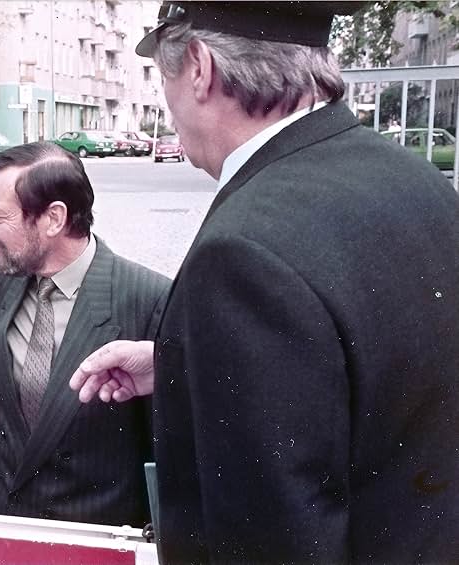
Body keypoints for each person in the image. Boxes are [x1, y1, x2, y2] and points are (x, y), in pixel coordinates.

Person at [71, 2, 459, 563]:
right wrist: (184, 360)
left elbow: (273, 540)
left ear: (199, 68)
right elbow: (376, 363)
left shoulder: (243, 251)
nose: (169, 109)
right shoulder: (416, 178)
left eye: (164, 77)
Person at [0, 141, 170, 527]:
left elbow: (167, 447)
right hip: (3, 524)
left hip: (91, 537)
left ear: (53, 219)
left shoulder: (149, 298)